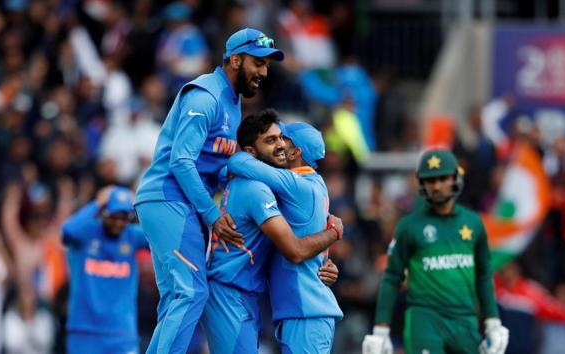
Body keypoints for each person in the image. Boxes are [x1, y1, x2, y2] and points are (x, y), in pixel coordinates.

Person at [134, 28, 283, 353]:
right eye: (258, 62)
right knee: (190, 293)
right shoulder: (206, 95)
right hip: (168, 197)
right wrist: (213, 215)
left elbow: (214, 165)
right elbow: (181, 161)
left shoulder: (231, 102)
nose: (264, 72)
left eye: (267, 64)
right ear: (235, 59)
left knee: (178, 297)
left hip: (181, 202)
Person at [202, 109, 342, 353]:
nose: (279, 144)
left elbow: (237, 161)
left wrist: (335, 233)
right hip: (294, 309)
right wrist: (331, 239)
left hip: (306, 311)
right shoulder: (308, 185)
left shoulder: (295, 185)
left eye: (283, 139)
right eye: (272, 139)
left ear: (296, 152)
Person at [362, 149, 510, 354]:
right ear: (422, 184)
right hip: (425, 320)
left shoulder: (473, 223)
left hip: (465, 321)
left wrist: (493, 323)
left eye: (443, 178)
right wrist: (381, 329)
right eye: (431, 180)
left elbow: (484, 275)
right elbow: (392, 277)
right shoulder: (409, 226)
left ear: (455, 178)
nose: (437, 186)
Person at [62, 186, 148, 354]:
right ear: (103, 213)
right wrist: (97, 203)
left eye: (124, 218)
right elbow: (67, 232)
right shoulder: (87, 233)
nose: (118, 223)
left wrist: (140, 205)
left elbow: (159, 235)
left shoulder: (132, 236)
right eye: (114, 216)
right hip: (85, 332)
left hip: (121, 333)